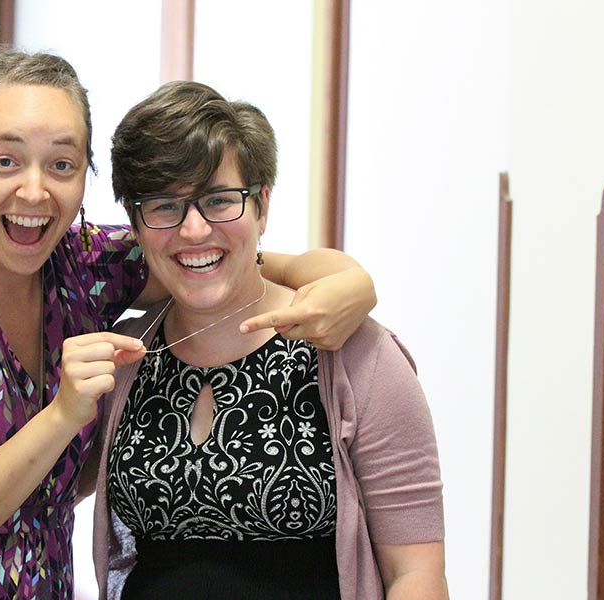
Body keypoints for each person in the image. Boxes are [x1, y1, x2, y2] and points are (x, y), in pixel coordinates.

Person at [0, 50, 376, 599]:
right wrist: (63, 415)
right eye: (5, 161)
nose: (35, 190)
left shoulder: (79, 266)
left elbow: (210, 256)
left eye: (62, 164)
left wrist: (352, 283)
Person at [81, 82, 448, 599]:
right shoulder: (125, 359)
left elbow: (417, 573)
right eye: (164, 205)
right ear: (136, 224)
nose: (193, 230)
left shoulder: (353, 353)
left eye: (219, 201)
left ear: (262, 206)